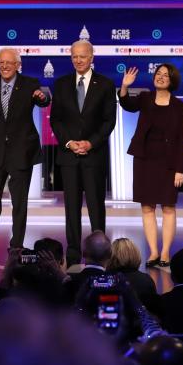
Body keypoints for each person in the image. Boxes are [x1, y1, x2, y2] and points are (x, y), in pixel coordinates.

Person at [0, 48, 51, 264]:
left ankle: (16, 249)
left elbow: (44, 100)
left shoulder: (30, 83)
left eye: (9, 62)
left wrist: (43, 96)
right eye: (1, 63)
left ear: (18, 64)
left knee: (20, 205)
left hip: (21, 153)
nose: (4, 66)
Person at [49, 40, 117, 265]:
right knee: (71, 207)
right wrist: (69, 142)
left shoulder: (105, 84)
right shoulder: (61, 84)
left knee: (97, 206)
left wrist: (90, 143)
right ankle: (74, 251)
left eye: (82, 56)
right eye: (74, 56)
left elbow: (109, 121)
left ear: (92, 57)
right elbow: (56, 119)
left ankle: (100, 251)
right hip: (69, 156)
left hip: (94, 156)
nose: (78, 60)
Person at [118, 64, 183, 267]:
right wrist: (124, 87)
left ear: (172, 80)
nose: (161, 77)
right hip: (144, 160)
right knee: (147, 207)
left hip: (168, 162)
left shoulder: (180, 106)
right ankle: (153, 252)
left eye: (165, 75)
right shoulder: (145, 98)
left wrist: (180, 169)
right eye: (158, 74)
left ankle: (165, 252)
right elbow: (127, 105)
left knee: (168, 207)